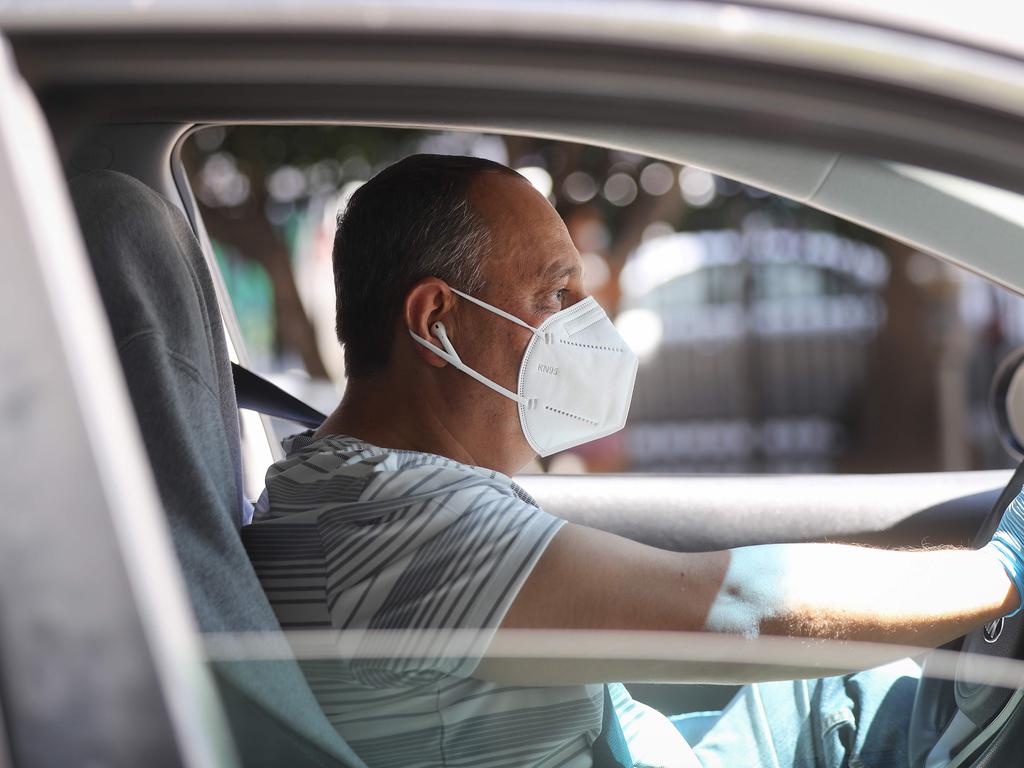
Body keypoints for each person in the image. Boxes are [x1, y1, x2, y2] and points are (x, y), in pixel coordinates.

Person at [241, 154, 1024, 768]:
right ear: (437, 321)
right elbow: (744, 610)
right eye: (554, 295)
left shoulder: (351, 488)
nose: (587, 324)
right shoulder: (399, 523)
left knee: (862, 696)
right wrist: (1005, 569)